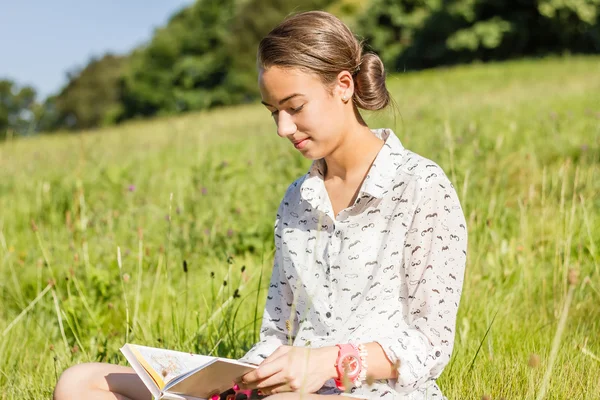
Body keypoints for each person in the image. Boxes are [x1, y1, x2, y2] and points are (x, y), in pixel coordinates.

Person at [53, 10, 467, 400]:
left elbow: (429, 347)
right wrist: (232, 377)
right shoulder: (297, 200)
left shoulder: (421, 186)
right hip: (283, 391)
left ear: (343, 86)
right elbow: (278, 334)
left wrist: (328, 362)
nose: (284, 128)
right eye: (274, 112)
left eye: (295, 107)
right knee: (81, 382)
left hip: (371, 391)